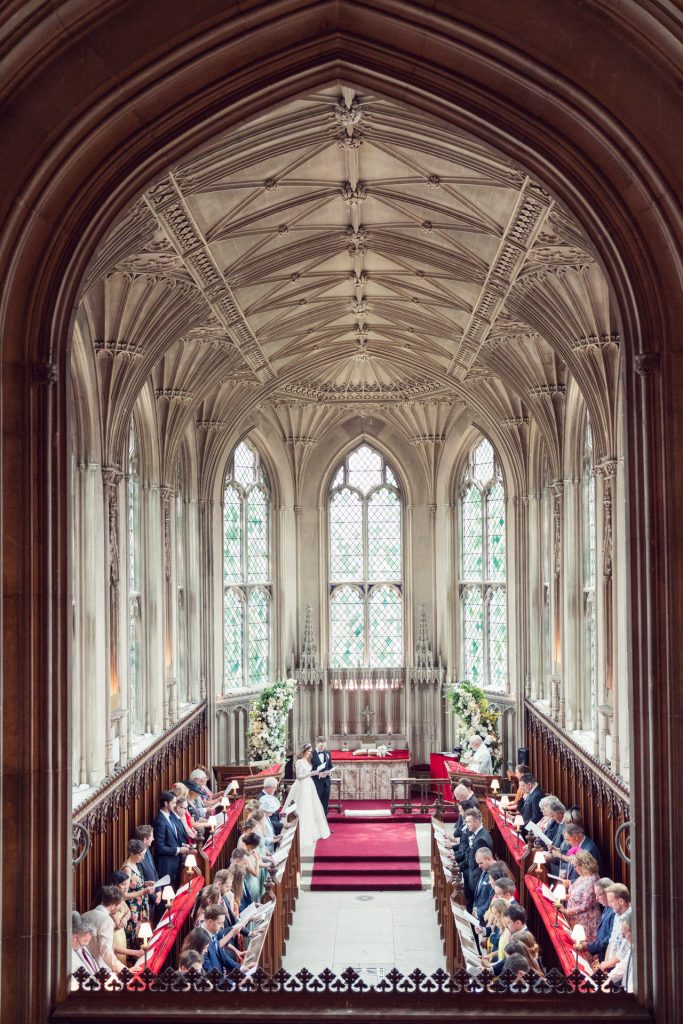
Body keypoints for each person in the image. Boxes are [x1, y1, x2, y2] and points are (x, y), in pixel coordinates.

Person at [282, 742, 331, 848]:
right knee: (302, 807)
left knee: (311, 807)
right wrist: (311, 773)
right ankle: (299, 832)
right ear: (304, 751)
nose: (310, 753)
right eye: (308, 751)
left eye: (310, 751)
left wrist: (318, 773)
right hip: (302, 786)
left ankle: (312, 830)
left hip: (309, 785)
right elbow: (299, 777)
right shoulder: (299, 762)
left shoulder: (307, 761)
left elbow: (308, 774)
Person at [81, 886, 128, 974]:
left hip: (82, 967)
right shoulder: (107, 920)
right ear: (113, 906)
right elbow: (106, 952)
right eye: (119, 906)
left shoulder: (84, 915)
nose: (119, 909)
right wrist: (124, 970)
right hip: (99, 970)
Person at [120, 839, 155, 948]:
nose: (143, 858)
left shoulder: (135, 864)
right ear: (133, 853)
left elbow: (133, 884)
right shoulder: (127, 869)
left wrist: (145, 884)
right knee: (135, 937)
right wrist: (143, 891)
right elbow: (124, 895)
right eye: (140, 855)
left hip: (140, 906)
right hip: (133, 908)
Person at [153, 789, 191, 887]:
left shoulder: (170, 817)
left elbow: (172, 839)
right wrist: (179, 849)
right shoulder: (160, 821)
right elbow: (159, 848)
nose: (175, 805)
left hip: (175, 863)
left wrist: (182, 845)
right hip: (166, 866)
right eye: (173, 803)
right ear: (166, 803)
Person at [563, 850, 600, 943]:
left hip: (586, 922)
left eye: (575, 866)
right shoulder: (583, 875)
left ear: (583, 865)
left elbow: (585, 905)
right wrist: (562, 897)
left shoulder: (592, 880)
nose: (574, 869)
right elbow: (574, 895)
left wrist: (566, 911)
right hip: (575, 918)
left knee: (581, 947)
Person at [599, 884, 631, 973]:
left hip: (620, 972)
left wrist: (605, 965)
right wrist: (605, 965)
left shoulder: (629, 920)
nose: (609, 905)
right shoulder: (617, 914)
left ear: (621, 901)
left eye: (611, 902)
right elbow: (611, 941)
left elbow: (622, 954)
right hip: (610, 967)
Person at [135, 824, 163, 923]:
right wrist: (154, 897)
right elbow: (141, 882)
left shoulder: (148, 851)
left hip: (154, 895)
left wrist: (159, 890)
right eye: (151, 836)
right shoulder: (138, 858)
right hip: (147, 900)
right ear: (145, 840)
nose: (153, 839)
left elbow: (154, 872)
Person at [70, 912, 98, 987]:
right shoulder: (68, 955)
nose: (86, 944)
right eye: (85, 941)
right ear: (76, 937)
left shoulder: (81, 947)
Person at [311, 736, 334, 817]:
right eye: (321, 746)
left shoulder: (327, 753)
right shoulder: (310, 754)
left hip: (326, 783)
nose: (322, 748)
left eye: (324, 746)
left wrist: (329, 772)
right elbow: (307, 770)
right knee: (315, 804)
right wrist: (318, 774)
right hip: (316, 783)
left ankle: (324, 825)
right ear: (316, 743)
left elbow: (330, 766)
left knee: (325, 805)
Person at [471, 847, 495, 922]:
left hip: (486, 918)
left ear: (488, 859)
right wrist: (475, 908)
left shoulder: (495, 874)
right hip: (478, 914)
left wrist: (478, 913)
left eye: (481, 863)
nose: (479, 866)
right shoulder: (485, 868)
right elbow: (479, 889)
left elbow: (491, 900)